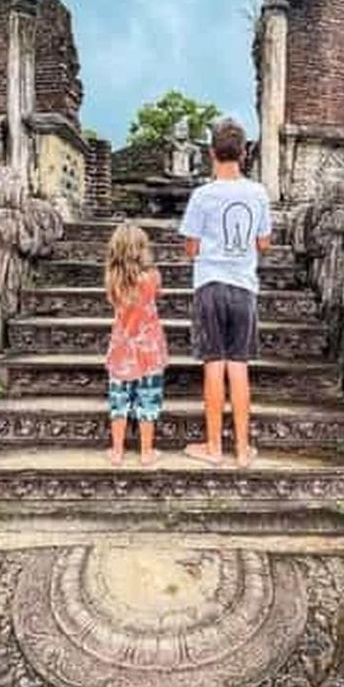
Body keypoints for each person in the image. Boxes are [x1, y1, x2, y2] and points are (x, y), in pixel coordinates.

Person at [179, 118, 271, 467]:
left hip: (210, 285)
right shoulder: (258, 193)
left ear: (211, 153)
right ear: (244, 152)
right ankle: (244, 450)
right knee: (239, 366)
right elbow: (263, 243)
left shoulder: (202, 195)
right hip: (243, 287)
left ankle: (215, 446)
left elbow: (191, 248)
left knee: (213, 365)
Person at [105, 223, 169, 466]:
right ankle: (146, 452)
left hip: (122, 350)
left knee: (119, 402)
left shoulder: (114, 280)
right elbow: (156, 295)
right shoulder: (152, 277)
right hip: (149, 350)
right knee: (148, 401)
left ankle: (118, 451)